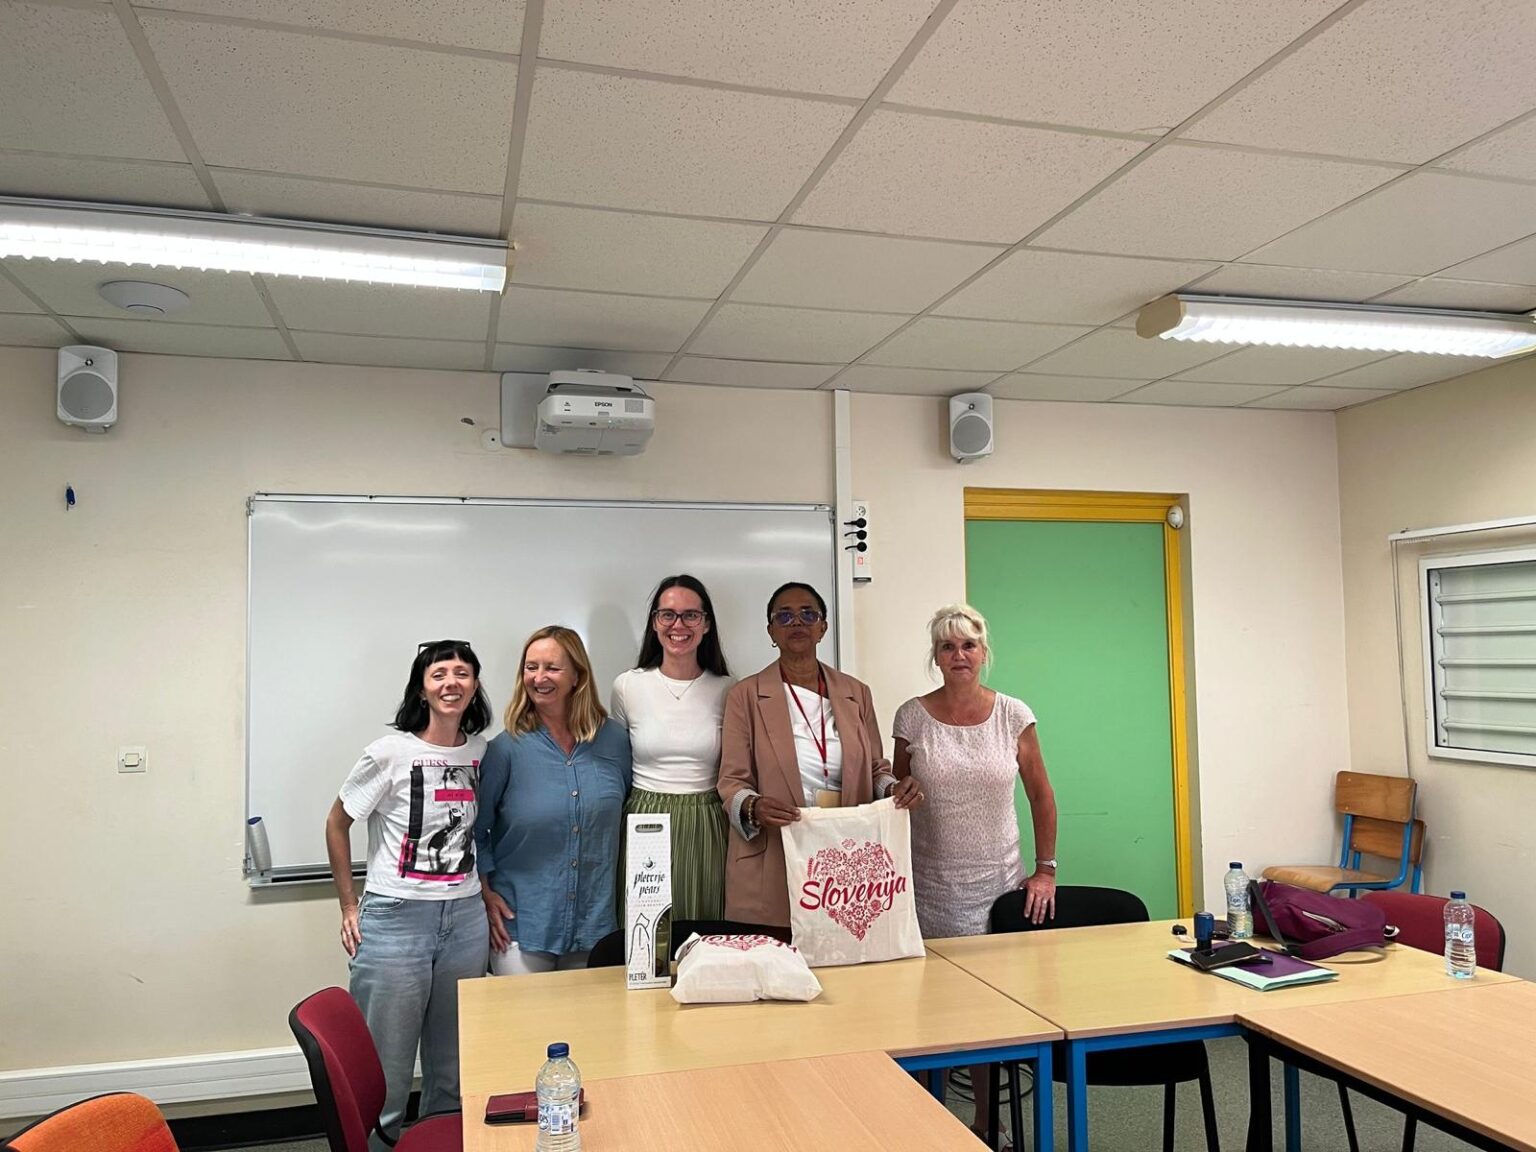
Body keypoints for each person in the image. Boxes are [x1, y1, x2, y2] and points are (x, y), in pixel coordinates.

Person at [893, 604, 1059, 1142]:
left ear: (984, 652)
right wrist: (895, 789)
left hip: (999, 888)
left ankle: (988, 1125)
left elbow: (1041, 795)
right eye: (947, 646)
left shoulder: (1014, 715)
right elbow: (892, 793)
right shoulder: (911, 716)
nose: (958, 655)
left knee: (989, 1019)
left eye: (968, 645)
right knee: (930, 1018)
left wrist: (1046, 871)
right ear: (936, 656)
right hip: (928, 889)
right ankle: (930, 1128)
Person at [324, 640, 493, 1146]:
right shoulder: (388, 752)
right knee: (386, 1073)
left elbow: (482, 834)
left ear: (475, 686)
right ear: (422, 688)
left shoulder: (483, 752)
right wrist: (348, 903)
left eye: (462, 673)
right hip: (396, 918)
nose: (451, 683)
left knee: (453, 1067)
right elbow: (337, 823)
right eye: (439, 674)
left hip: (465, 919)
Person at [717, 581, 923, 927]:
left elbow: (876, 770)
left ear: (823, 627)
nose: (797, 622)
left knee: (841, 947)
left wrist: (892, 789)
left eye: (808, 614)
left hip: (843, 850)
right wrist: (753, 806)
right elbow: (731, 781)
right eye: (784, 616)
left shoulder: (856, 693)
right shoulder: (746, 695)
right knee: (778, 952)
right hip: (778, 849)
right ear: (771, 631)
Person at [474, 626, 632, 973]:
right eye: (531, 667)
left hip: (595, 927)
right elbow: (475, 831)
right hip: (521, 926)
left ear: (577, 676)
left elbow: (630, 816)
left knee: (590, 1012)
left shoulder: (615, 741)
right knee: (526, 1013)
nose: (539, 677)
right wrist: (484, 893)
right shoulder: (505, 750)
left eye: (552, 668)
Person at [610, 575, 734, 921]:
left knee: (705, 924)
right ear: (654, 623)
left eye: (690, 615)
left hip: (707, 820)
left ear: (706, 624)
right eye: (668, 614)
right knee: (644, 928)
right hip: (644, 817)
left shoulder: (729, 689)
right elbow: (616, 766)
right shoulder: (627, 686)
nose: (678, 625)